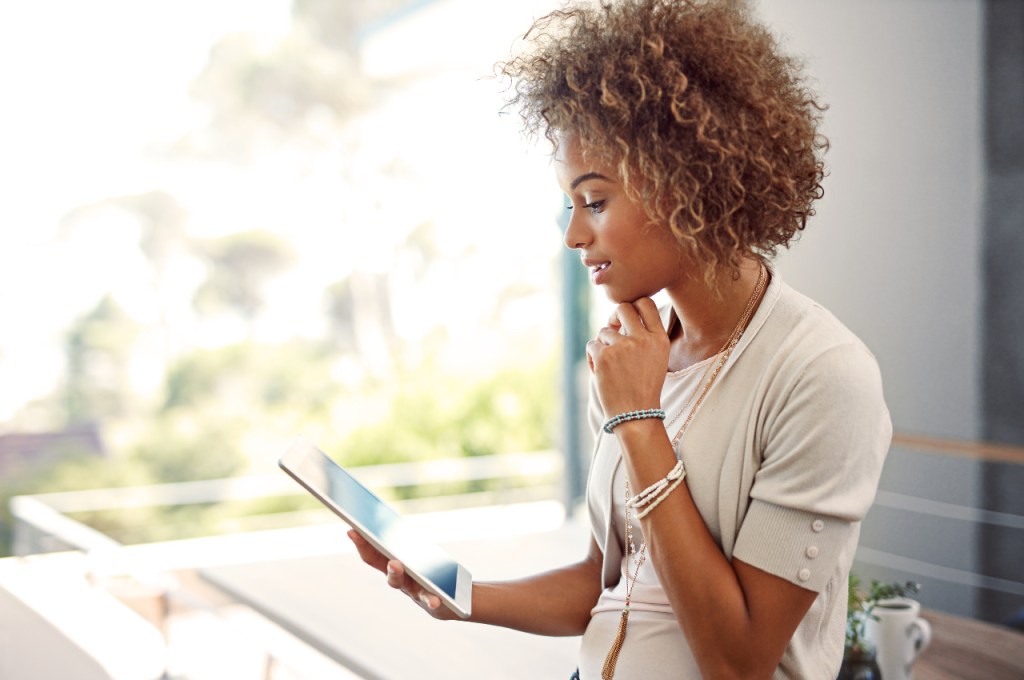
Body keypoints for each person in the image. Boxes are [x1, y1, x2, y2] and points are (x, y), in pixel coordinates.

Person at [348, 0, 892, 677]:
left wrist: (640, 419)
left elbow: (740, 660)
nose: (574, 235)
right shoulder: (630, 356)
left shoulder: (821, 375)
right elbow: (613, 584)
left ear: (686, 181)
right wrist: (462, 598)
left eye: (595, 201)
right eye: (569, 206)